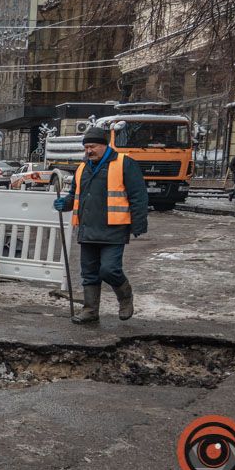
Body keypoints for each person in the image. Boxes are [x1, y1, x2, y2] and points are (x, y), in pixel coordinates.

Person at [54, 126, 149, 324]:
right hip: (87, 228)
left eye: (93, 146)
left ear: (105, 145)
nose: (89, 151)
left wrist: (138, 223)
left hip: (113, 228)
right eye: (86, 147)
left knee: (109, 269)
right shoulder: (83, 167)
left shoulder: (124, 163)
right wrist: (65, 203)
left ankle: (125, 297)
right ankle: (90, 310)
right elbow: (75, 194)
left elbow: (138, 195)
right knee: (88, 272)